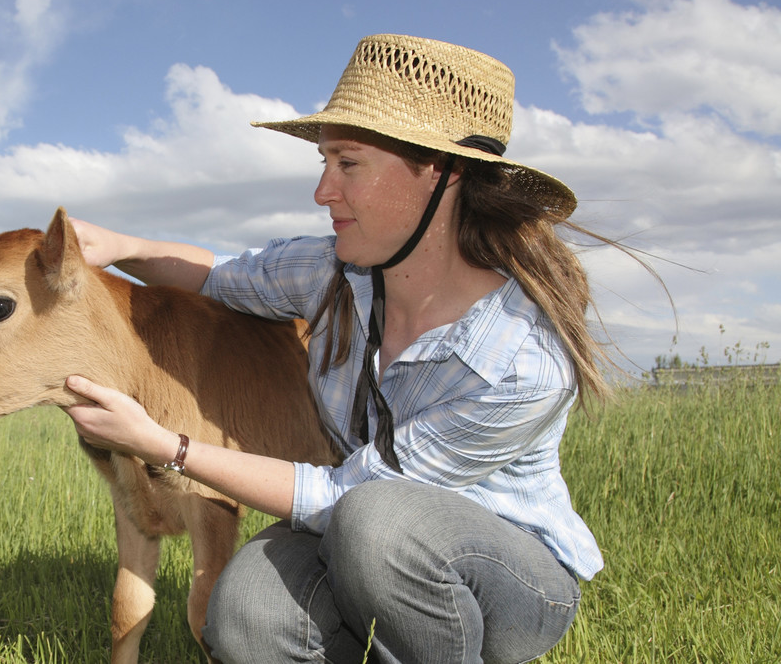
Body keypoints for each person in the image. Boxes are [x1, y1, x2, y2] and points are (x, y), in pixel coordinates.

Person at [64, 33, 608, 664]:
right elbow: (218, 277)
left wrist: (165, 447)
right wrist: (116, 246)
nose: (323, 190)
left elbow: (344, 497)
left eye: (348, 164)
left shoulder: (522, 361)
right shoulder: (332, 272)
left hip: (508, 580)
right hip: (361, 541)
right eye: (322, 163)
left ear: (443, 174)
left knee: (376, 523)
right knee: (244, 612)